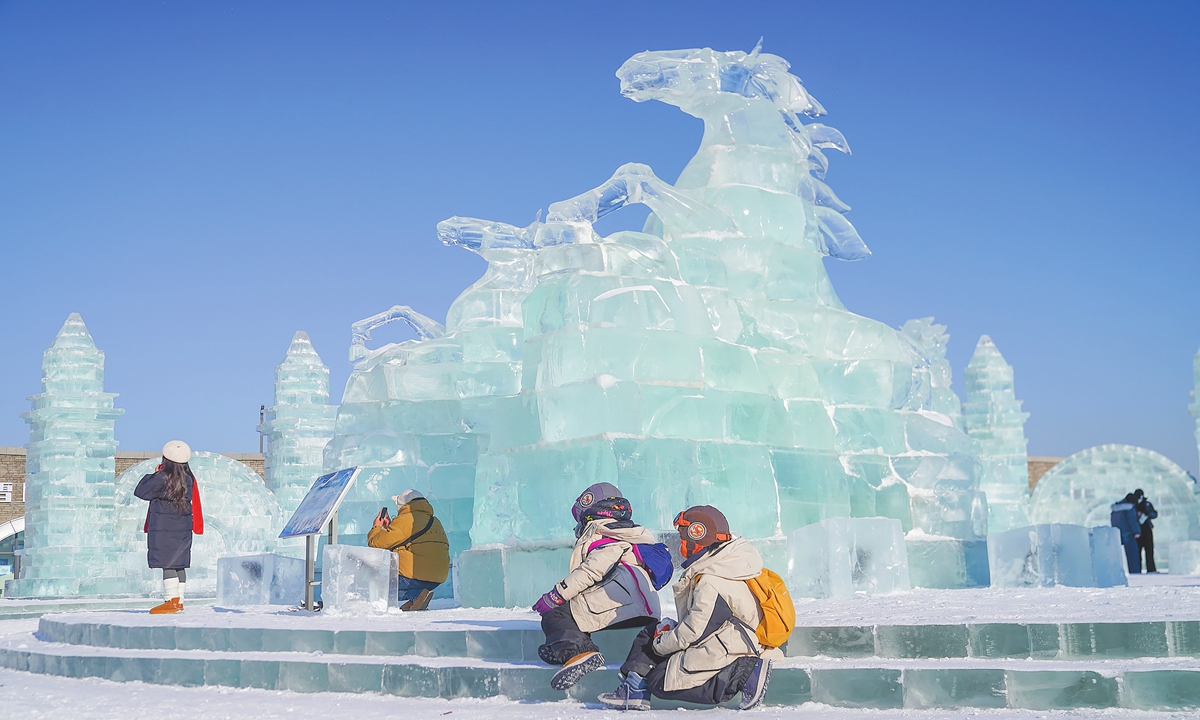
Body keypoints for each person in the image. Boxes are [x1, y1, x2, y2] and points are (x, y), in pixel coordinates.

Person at [599, 505, 774, 711]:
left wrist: (660, 644)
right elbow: (702, 623)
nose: (680, 545)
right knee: (652, 631)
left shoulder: (712, 581)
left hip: (734, 647)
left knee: (659, 681)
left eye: (684, 538)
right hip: (721, 638)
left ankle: (745, 673)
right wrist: (662, 634)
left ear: (697, 537)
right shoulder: (721, 564)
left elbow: (693, 632)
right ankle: (634, 689)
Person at [532, 483, 662, 691]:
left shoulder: (602, 533)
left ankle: (577, 652)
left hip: (622, 603)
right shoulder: (626, 532)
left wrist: (556, 595)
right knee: (577, 608)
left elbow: (593, 570)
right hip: (641, 609)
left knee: (557, 611)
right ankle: (561, 647)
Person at [135, 440, 203, 615]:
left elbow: (141, 491)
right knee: (179, 563)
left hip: (164, 526)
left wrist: (156, 472)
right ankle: (179, 601)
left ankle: (170, 601)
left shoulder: (163, 477)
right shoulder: (189, 478)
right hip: (183, 526)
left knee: (168, 563)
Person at [368, 489, 449, 611]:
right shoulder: (434, 520)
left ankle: (416, 595)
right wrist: (390, 527)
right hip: (438, 577)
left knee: (379, 587)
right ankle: (416, 600)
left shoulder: (405, 519)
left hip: (416, 577)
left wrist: (376, 527)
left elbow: (376, 543)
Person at [1110, 492, 1141, 574]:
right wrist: (1137, 531)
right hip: (1129, 533)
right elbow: (1132, 521)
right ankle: (1135, 572)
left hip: (1118, 533)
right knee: (1133, 555)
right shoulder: (1129, 508)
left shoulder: (1115, 508)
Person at [1133, 488, 1159, 573]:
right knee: (1137, 552)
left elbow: (1154, 514)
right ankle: (1137, 569)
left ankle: (1151, 569)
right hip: (1137, 531)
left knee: (1149, 550)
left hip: (1147, 529)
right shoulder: (1132, 504)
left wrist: (1147, 514)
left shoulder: (1147, 504)